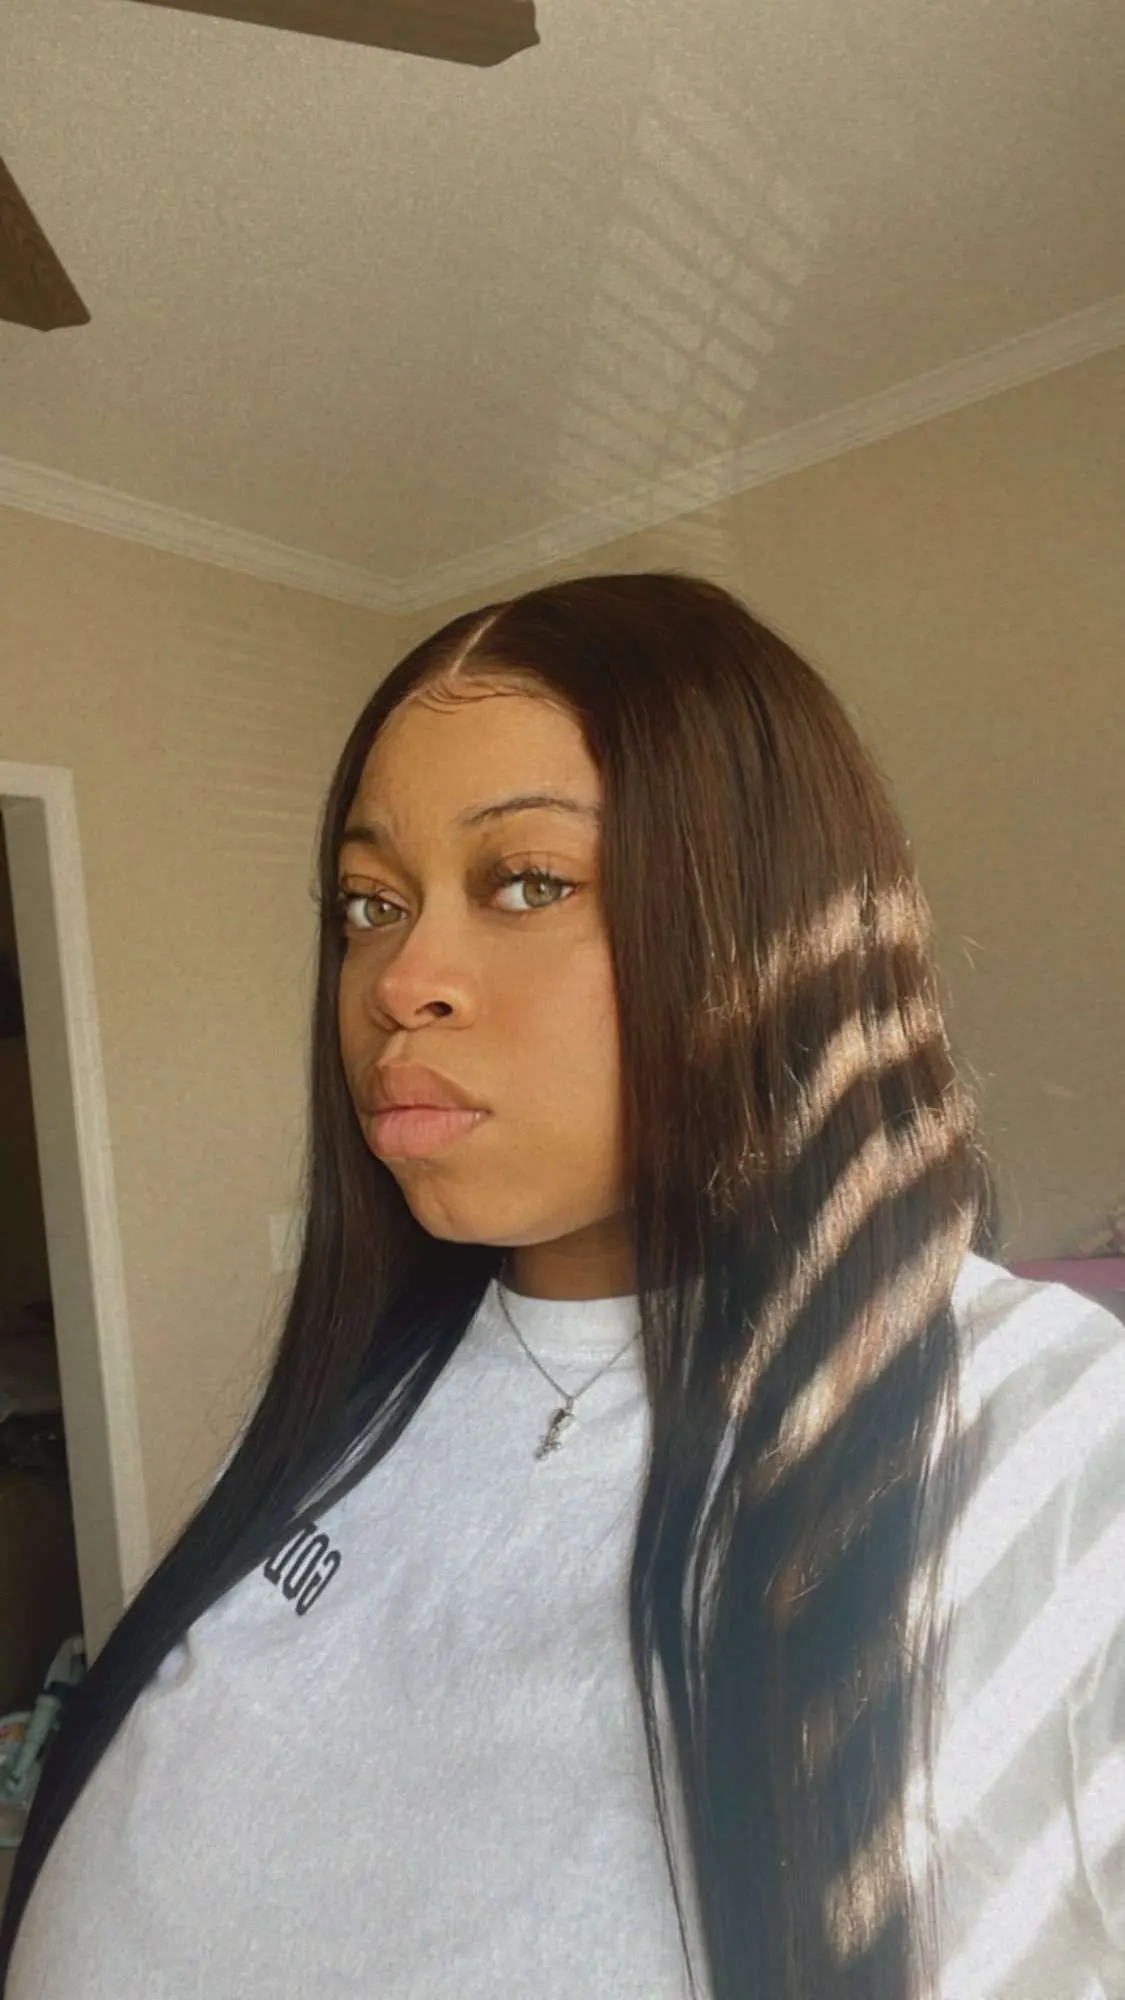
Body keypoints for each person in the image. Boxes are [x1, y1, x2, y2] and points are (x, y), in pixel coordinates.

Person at [1, 572, 1121, 2000]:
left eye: (529, 882)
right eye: (369, 902)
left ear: (769, 923)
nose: (402, 978)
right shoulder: (342, 1403)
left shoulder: (1050, 1449)